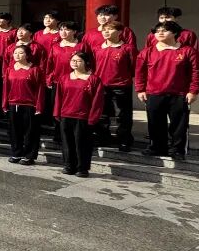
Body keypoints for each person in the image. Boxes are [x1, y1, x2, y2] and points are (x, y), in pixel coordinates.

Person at [135, 20, 199, 159]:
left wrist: (193, 91)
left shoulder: (187, 51)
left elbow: (196, 72)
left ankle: (177, 150)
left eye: (164, 30)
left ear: (175, 33)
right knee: (155, 123)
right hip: (154, 93)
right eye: (157, 31)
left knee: (179, 125)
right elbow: (140, 72)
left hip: (179, 94)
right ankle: (157, 147)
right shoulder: (147, 52)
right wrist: (140, 90)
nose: (160, 33)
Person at [55, 50, 104, 177]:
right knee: (67, 143)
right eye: (73, 60)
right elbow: (59, 97)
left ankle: (82, 168)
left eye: (78, 60)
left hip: (83, 117)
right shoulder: (64, 78)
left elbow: (97, 101)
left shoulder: (93, 79)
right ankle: (68, 165)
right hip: (66, 115)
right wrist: (57, 112)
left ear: (86, 62)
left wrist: (93, 118)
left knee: (82, 144)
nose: (75, 63)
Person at [93, 21, 136, 152]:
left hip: (121, 86)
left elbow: (134, 67)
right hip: (101, 86)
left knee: (123, 115)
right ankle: (103, 138)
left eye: (110, 29)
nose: (106, 32)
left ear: (120, 32)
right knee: (102, 114)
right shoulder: (97, 48)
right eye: (104, 30)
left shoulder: (128, 48)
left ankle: (124, 141)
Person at [2, 43, 45, 166]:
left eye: (20, 53)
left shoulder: (35, 70)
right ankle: (16, 153)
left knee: (30, 131)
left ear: (27, 55)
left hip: (30, 105)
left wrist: (39, 106)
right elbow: (6, 88)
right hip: (13, 103)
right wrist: (4, 104)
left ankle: (29, 155)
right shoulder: (10, 69)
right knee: (14, 131)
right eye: (15, 53)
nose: (17, 55)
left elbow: (40, 89)